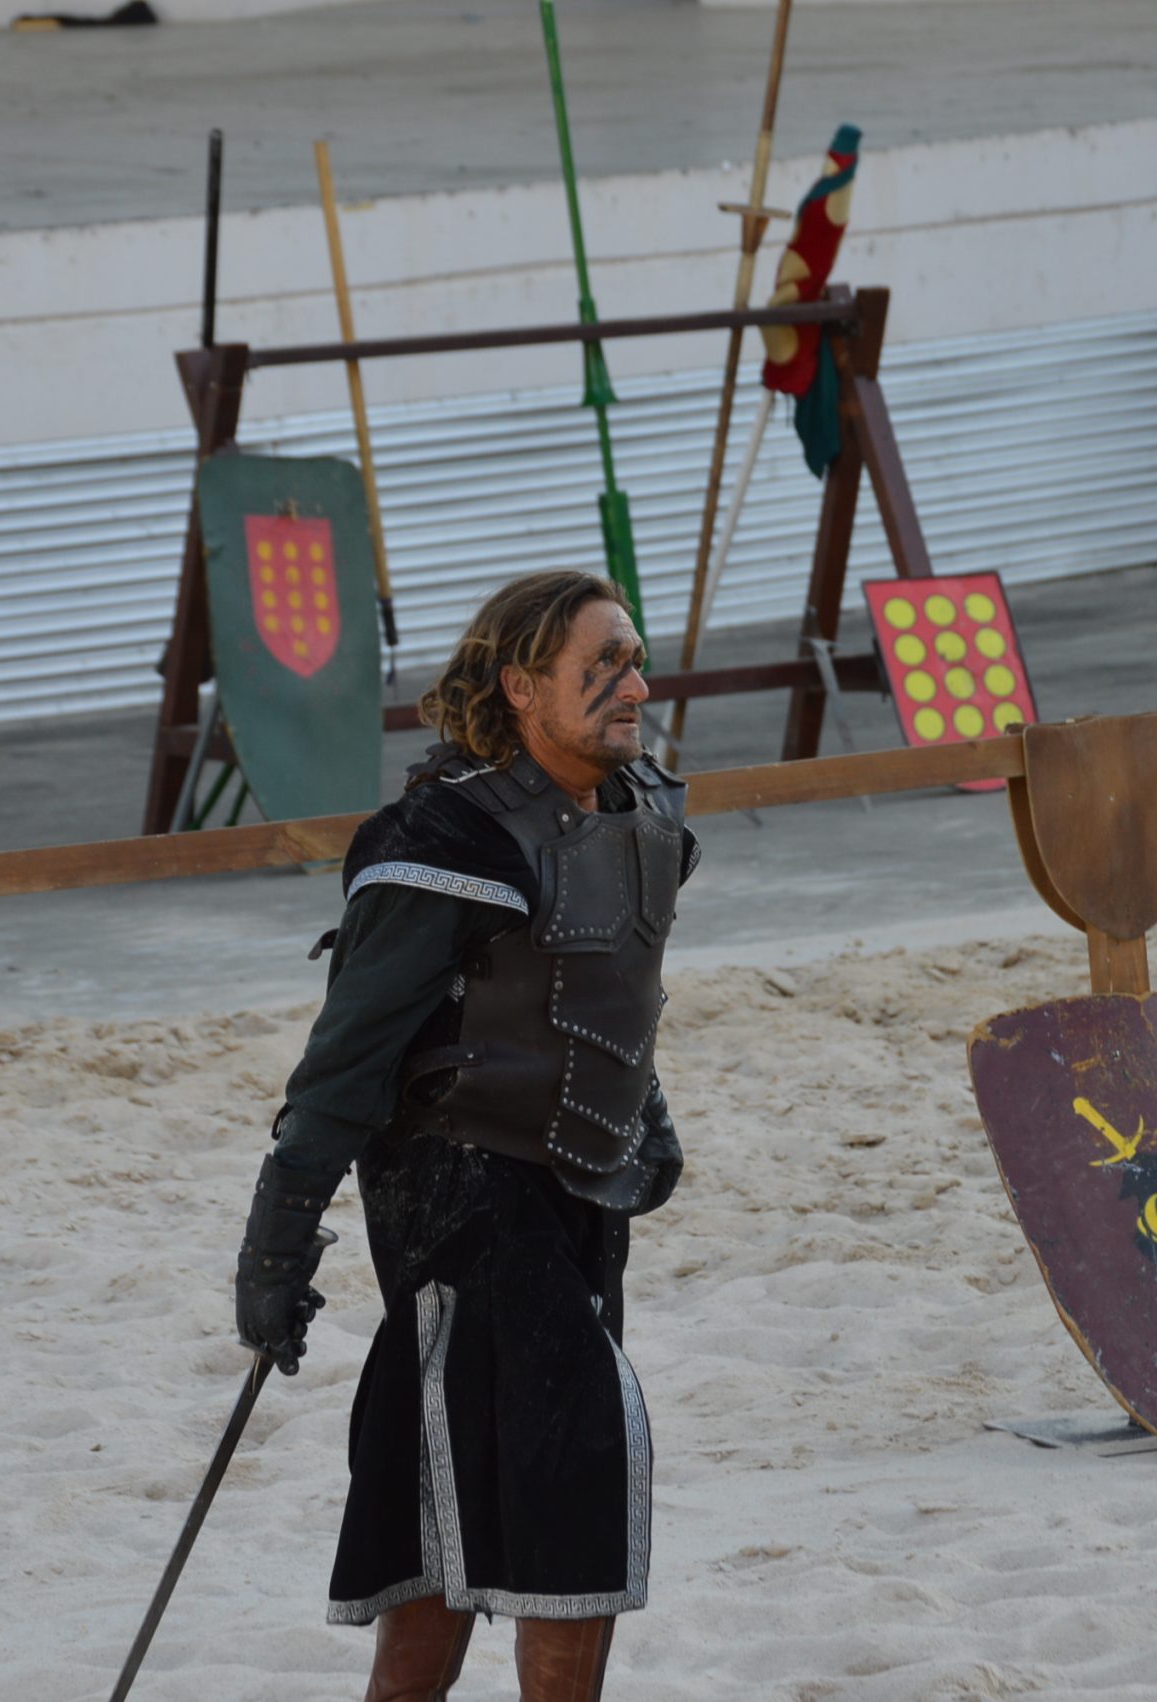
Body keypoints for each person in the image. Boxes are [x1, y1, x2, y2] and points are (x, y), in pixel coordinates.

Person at [233, 570, 696, 1701]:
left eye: (634, 660)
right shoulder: (444, 839)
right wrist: (276, 1247)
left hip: (579, 1191)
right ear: (523, 685)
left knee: (457, 1476)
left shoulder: (642, 810)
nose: (631, 685)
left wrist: (646, 1111)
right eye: (601, 666)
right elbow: (343, 1063)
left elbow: (602, 988)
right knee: (571, 1466)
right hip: (458, 1193)